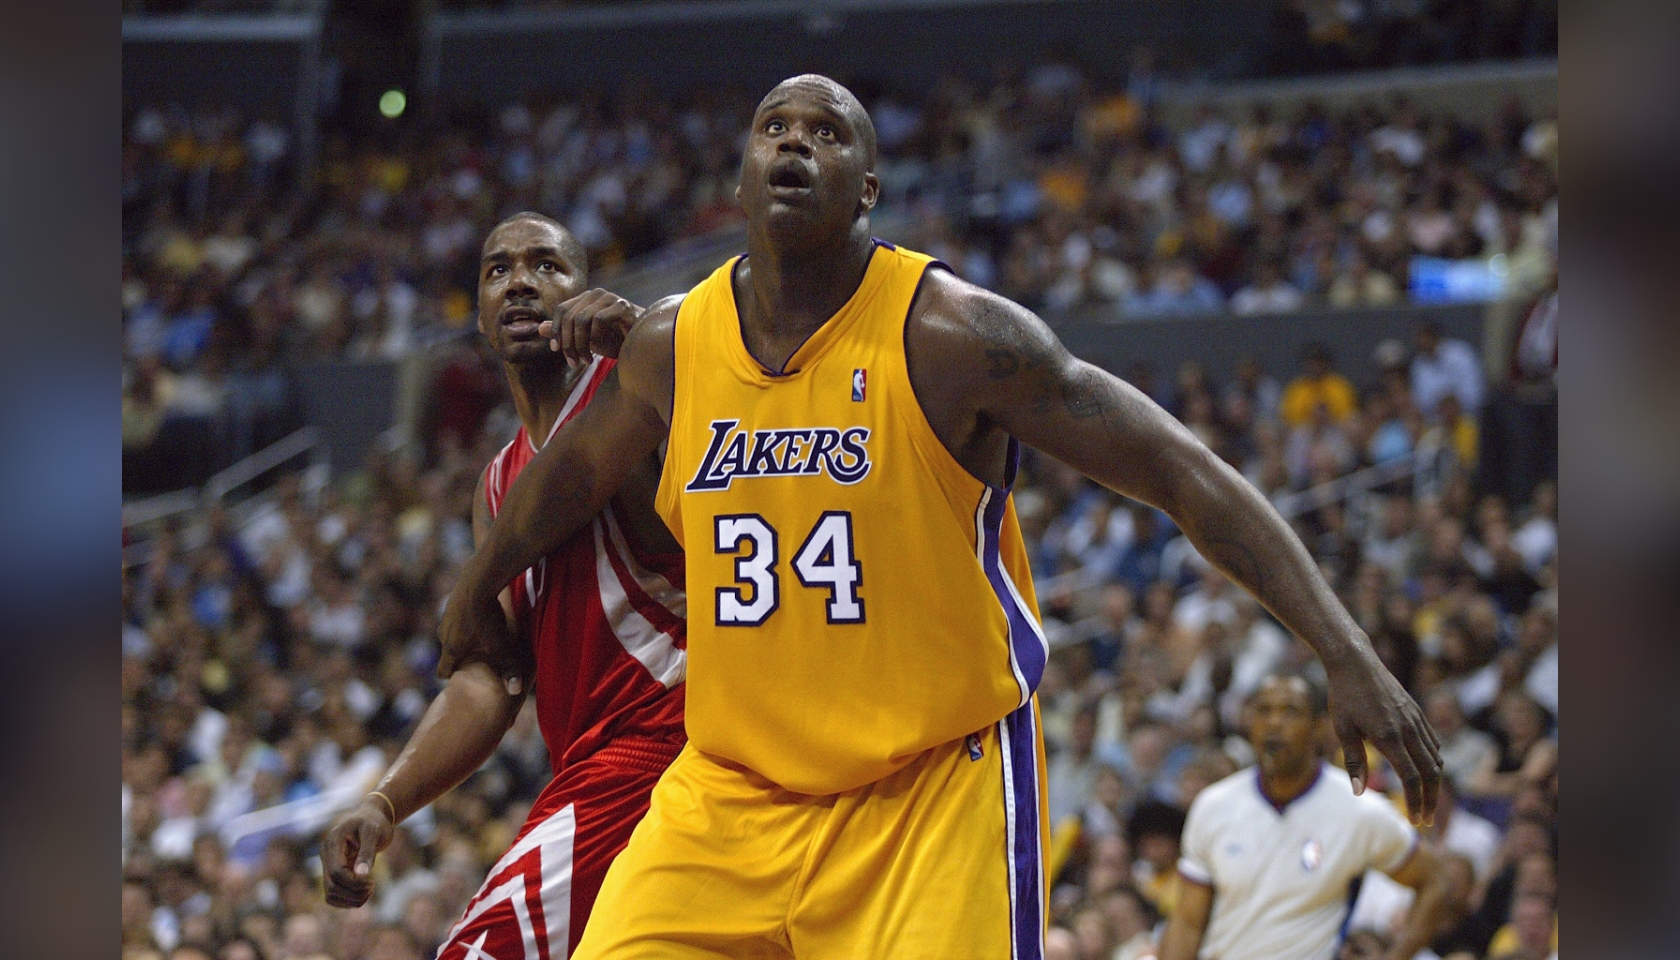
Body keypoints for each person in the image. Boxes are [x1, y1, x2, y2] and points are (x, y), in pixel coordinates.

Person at [441, 75, 1440, 958]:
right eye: (774, 127)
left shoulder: (955, 336)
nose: (795, 142)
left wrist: (1343, 651)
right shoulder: (670, 345)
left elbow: (1179, 471)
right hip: (731, 794)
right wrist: (472, 590)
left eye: (827, 133)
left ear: (868, 192)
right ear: (740, 183)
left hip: (926, 790)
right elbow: (566, 480)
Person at [320, 213, 687, 959]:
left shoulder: (641, 402)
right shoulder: (496, 481)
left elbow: (712, 403)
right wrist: (386, 801)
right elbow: (492, 676)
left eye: (547, 265)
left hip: (663, 742)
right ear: (481, 317)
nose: (520, 281)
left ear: (586, 293)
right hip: (591, 765)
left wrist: (644, 336)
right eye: (498, 270)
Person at [1160, 675, 1455, 960]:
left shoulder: (1360, 812)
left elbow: (1436, 882)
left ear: (1319, 728)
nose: (1274, 723)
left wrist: (1398, 956)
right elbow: (1187, 922)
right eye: (1263, 711)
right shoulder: (1214, 805)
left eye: (1290, 711)